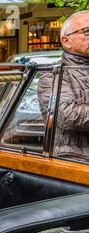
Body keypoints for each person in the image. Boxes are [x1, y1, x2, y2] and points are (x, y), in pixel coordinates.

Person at [37, 10, 89, 161]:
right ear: (66, 41)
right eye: (87, 31)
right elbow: (69, 117)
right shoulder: (54, 74)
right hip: (75, 161)